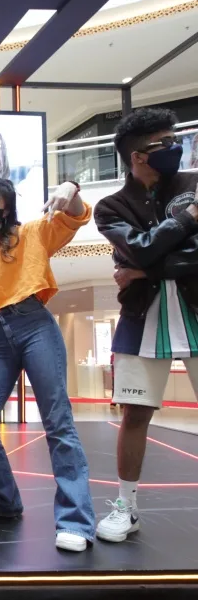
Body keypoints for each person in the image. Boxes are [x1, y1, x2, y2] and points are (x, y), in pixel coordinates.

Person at [0, 176, 96, 552]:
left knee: (58, 421)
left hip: (34, 326)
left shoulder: (29, 234)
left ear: (6, 207)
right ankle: (3, 498)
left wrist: (70, 189)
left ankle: (75, 521)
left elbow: (75, 217)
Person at [93, 108, 198, 543]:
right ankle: (127, 507)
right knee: (135, 414)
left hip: (194, 309)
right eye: (165, 143)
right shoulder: (110, 208)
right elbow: (137, 249)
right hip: (141, 317)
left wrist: (143, 268)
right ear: (138, 156)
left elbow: (145, 258)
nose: (176, 148)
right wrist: (189, 220)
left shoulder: (194, 184)